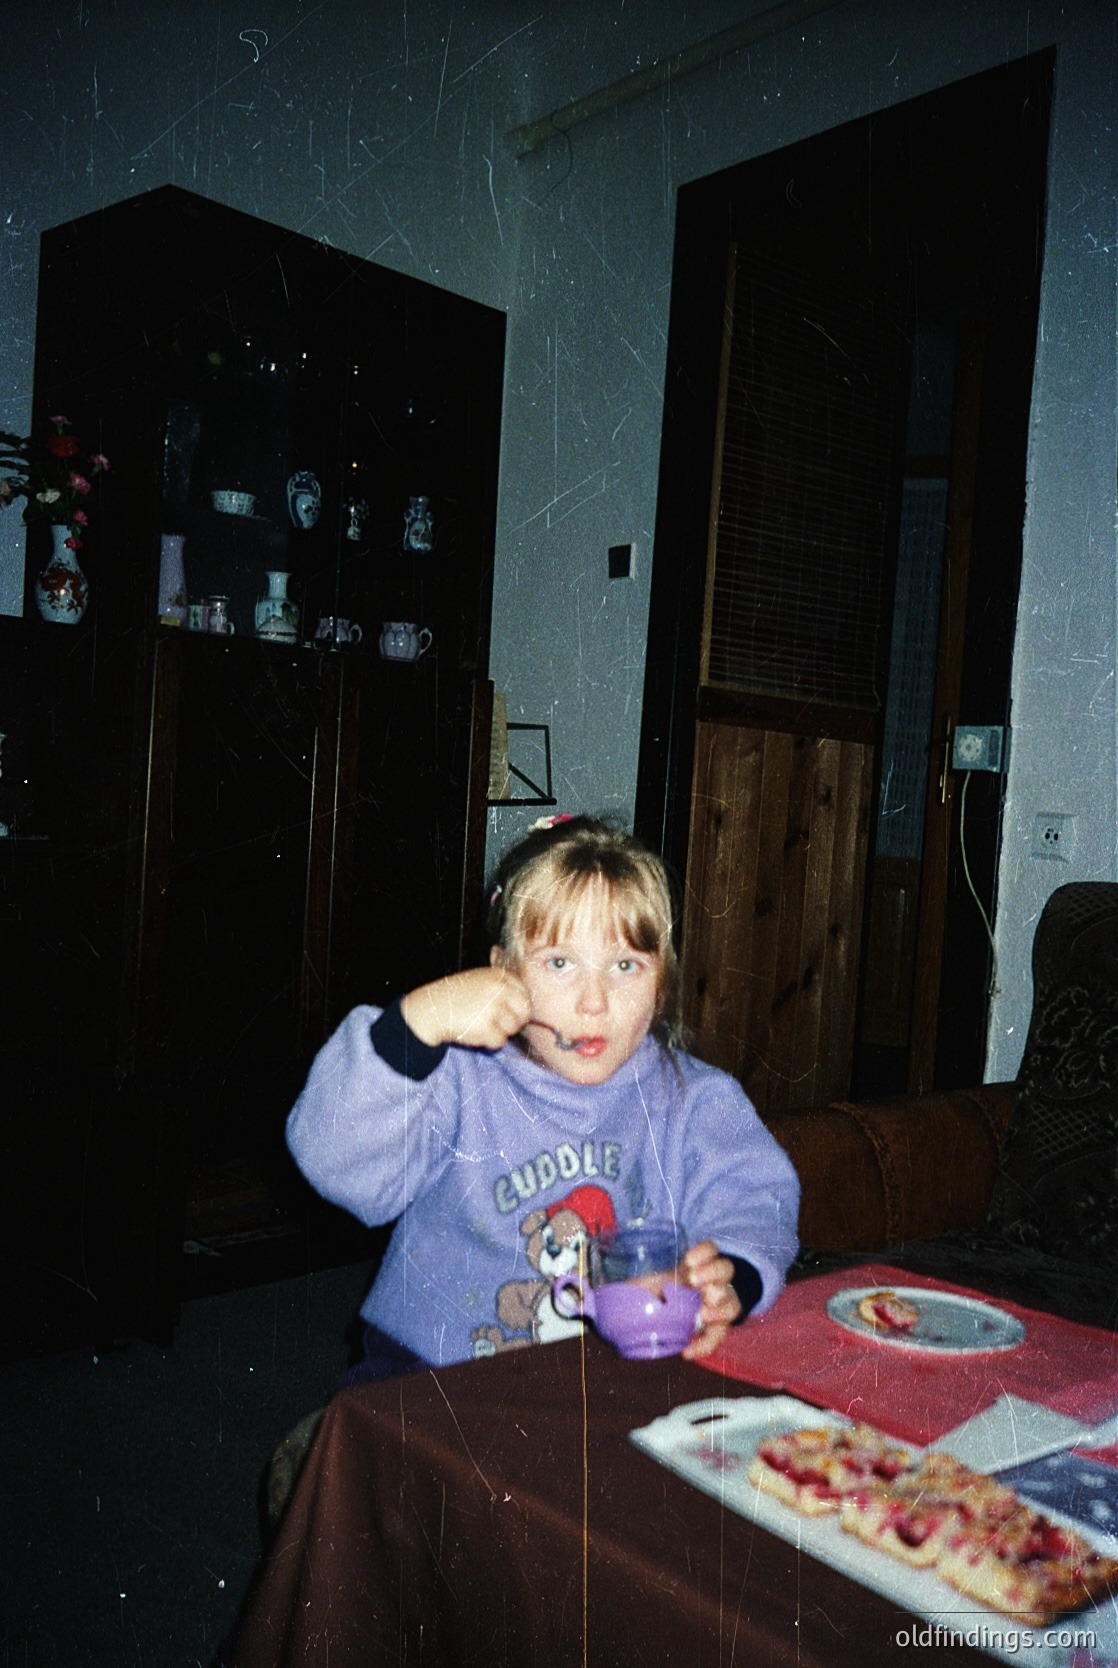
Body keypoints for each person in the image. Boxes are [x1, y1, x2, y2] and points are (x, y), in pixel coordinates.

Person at [286, 814, 799, 1383]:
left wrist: (734, 1276)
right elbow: (338, 1164)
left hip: (616, 1370)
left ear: (663, 986)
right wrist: (414, 1028)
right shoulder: (456, 1077)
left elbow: (758, 1201)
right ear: (502, 972)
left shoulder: (696, 1099)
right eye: (559, 963)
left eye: (626, 966)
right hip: (430, 1368)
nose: (593, 1002)